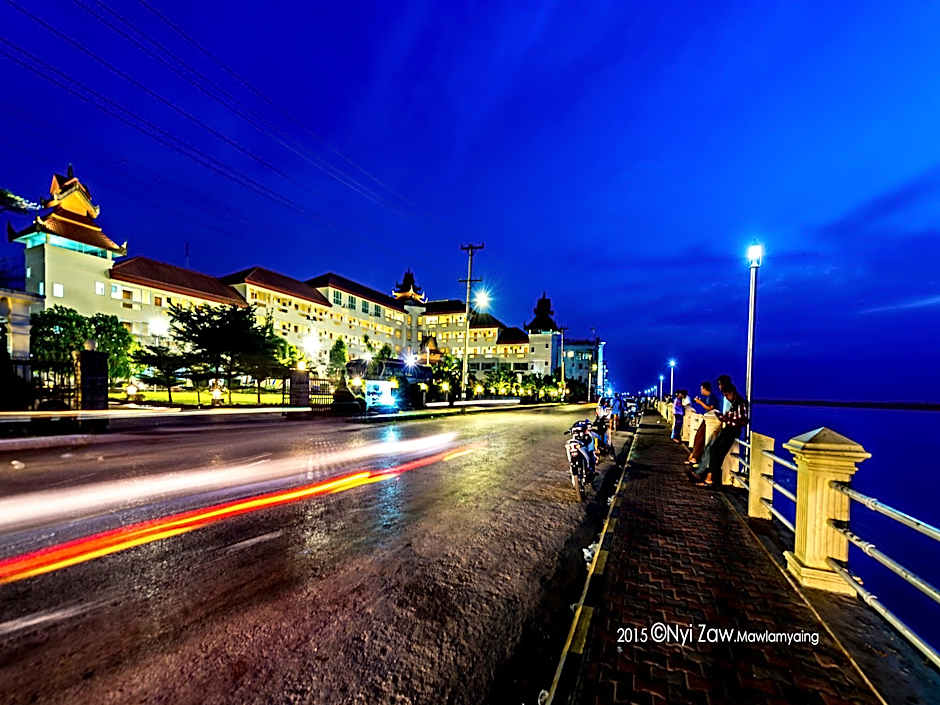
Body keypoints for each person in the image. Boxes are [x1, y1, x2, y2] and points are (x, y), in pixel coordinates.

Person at [692, 383, 748, 487]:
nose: (726, 398)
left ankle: (710, 478)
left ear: (732, 393)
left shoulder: (740, 403)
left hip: (732, 430)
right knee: (714, 450)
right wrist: (724, 417)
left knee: (716, 452)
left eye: (727, 395)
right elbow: (732, 417)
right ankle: (709, 477)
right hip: (728, 429)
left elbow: (741, 420)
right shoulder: (735, 402)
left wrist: (725, 418)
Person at [687, 381, 720, 465]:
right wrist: (699, 401)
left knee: (700, 437)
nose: (701, 391)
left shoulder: (711, 397)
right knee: (699, 437)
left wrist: (699, 402)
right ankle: (694, 456)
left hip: (711, 420)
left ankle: (695, 457)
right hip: (707, 419)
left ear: (705, 389)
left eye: (701, 389)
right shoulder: (709, 397)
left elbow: (710, 408)